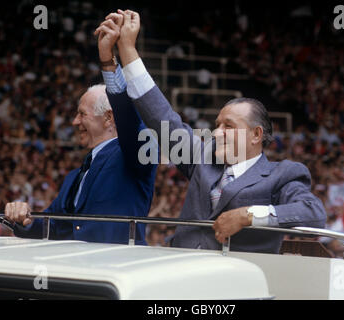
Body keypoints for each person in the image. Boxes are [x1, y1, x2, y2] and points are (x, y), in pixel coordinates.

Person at [96, 10, 326, 253]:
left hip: (236, 284)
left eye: (229, 125)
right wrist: (128, 49)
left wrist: (248, 215)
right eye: (217, 125)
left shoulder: (282, 174)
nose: (217, 133)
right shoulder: (202, 158)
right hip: (181, 276)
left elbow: (313, 213)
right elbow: (161, 116)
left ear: (256, 135)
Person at [4, 20, 157, 244]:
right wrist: (23, 218)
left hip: (116, 272)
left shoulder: (136, 154)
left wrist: (108, 60)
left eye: (82, 114)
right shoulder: (74, 177)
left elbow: (129, 119)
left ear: (108, 117)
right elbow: (51, 227)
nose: (75, 122)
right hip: (77, 273)